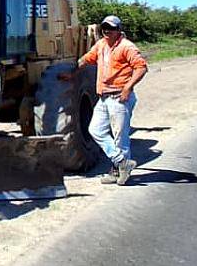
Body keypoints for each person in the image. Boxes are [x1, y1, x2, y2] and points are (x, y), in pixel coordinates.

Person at [60, 14, 148, 185]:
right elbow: (87, 59)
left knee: (120, 138)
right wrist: (72, 73)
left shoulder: (127, 47)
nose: (107, 31)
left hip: (119, 97)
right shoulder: (101, 45)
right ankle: (122, 163)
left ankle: (118, 171)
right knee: (95, 130)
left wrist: (127, 88)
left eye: (111, 28)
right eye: (105, 28)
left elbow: (141, 68)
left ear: (119, 30)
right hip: (104, 97)